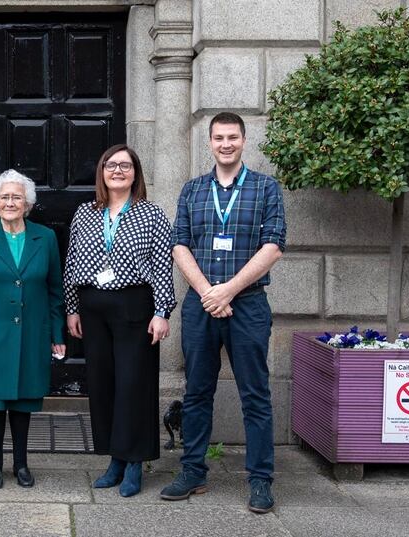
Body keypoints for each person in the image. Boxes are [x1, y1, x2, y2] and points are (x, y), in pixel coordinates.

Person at [161, 112, 286, 513]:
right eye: (219, 138)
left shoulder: (266, 188)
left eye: (233, 137)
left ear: (244, 141)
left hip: (247, 305)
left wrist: (228, 290)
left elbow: (273, 245)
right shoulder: (193, 190)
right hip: (201, 305)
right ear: (210, 142)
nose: (226, 144)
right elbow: (180, 244)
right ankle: (193, 470)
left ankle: (260, 480)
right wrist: (206, 292)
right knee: (197, 392)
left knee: (256, 394)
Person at [63, 144, 175, 497]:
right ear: (101, 172)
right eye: (111, 165)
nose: (117, 171)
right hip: (93, 307)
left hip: (134, 307)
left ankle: (135, 462)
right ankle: (114, 458)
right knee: (104, 384)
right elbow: (72, 261)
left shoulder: (152, 214)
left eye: (125, 166)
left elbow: (161, 266)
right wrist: (72, 307)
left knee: (134, 384)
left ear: (135, 173)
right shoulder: (84, 212)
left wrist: (161, 312)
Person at [0, 169, 66, 490]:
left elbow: (55, 290)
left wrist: (57, 335)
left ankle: (21, 463)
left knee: (23, 400)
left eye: (16, 197)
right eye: (5, 197)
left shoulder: (45, 237)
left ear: (28, 203)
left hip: (32, 332)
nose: (10, 202)